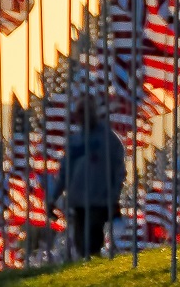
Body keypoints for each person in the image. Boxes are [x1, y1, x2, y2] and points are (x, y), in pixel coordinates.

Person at [51, 95, 127, 259]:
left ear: (94, 112)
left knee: (91, 240)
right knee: (80, 242)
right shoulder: (74, 141)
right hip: (78, 202)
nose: (83, 115)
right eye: (80, 112)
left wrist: (113, 196)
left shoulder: (109, 139)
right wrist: (53, 197)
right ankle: (87, 264)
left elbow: (119, 170)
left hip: (99, 201)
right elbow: (64, 173)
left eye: (87, 111)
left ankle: (94, 262)